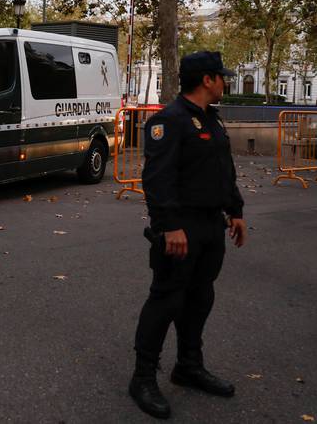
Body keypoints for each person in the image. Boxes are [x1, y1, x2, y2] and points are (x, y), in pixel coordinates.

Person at [129, 51, 248, 419]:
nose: (225, 82)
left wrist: (236, 210)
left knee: (199, 298)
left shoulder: (211, 119)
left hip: (212, 225)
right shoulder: (170, 120)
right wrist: (169, 226)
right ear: (207, 80)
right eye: (221, 77)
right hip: (181, 228)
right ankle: (143, 377)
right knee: (166, 300)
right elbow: (157, 179)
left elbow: (222, 170)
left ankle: (189, 366)